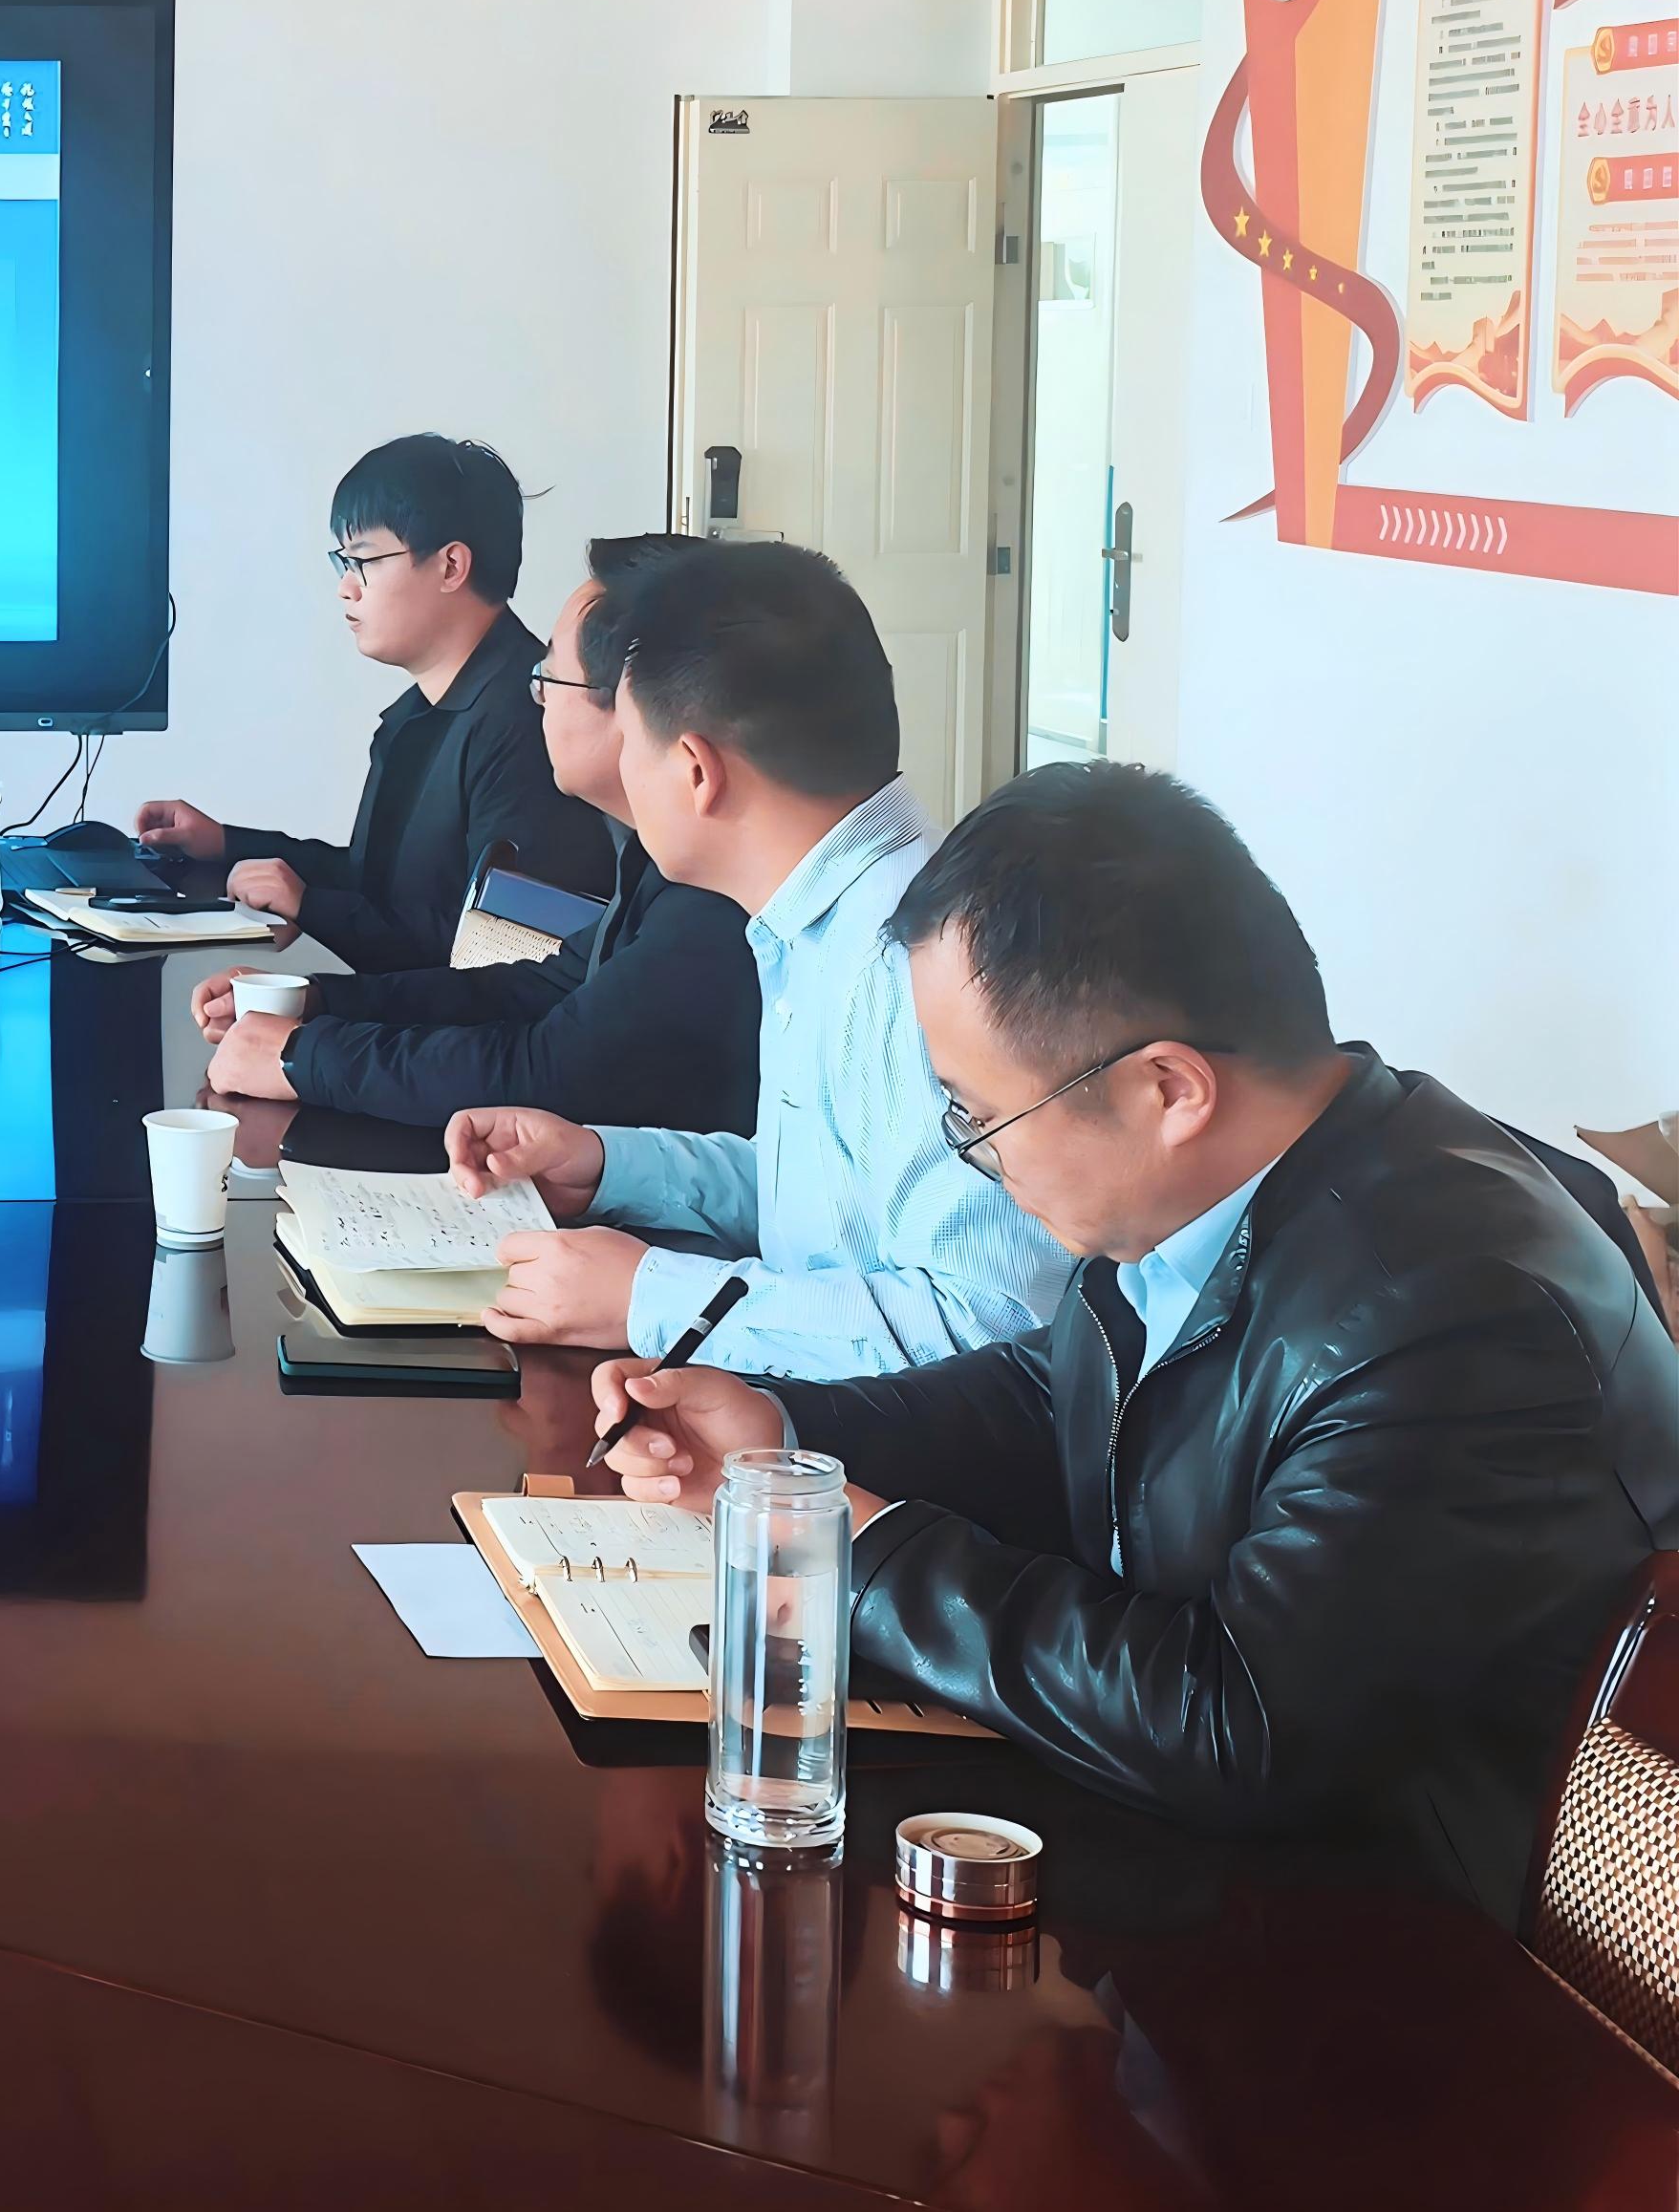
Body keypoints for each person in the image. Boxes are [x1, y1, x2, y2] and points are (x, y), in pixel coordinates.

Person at [594, 763, 1679, 1925]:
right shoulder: (1227, 1183)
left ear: (1168, 1088)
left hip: (1417, 1945)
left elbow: (1236, 1723)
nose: (977, 1158)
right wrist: (790, 1428)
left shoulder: (1449, 1315)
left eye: (980, 1115)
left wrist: (856, 1551)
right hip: (1209, 1861)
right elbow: (1056, 1396)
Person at [445, 537, 1068, 1376]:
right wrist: (605, 1164)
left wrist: (650, 1297)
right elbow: (827, 1206)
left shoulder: (921, 960)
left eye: (629, 740)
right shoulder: (815, 919)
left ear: (696, 771)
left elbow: (993, 1323)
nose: (623, 769)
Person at [193, 533, 755, 1137]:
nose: (536, 698)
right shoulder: (659, 863)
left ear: (638, 707)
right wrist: (319, 1001)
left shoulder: (716, 900)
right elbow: (531, 987)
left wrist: (303, 1058)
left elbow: (549, 1071)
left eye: (549, 677)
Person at [135, 434, 607, 971]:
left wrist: (311, 908)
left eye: (363, 561)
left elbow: (502, 957)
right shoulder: (418, 714)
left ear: (451, 566)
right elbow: (375, 883)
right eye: (343, 563)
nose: (346, 588)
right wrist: (225, 843)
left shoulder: (532, 721)